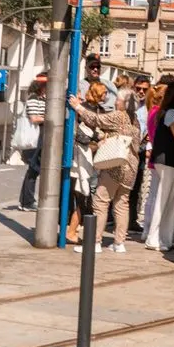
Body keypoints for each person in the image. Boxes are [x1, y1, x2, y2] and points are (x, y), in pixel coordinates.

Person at [68, 87, 140, 253]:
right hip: (131, 169)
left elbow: (96, 120)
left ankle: (95, 242)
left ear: (123, 103)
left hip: (116, 165)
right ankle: (119, 243)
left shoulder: (119, 116)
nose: (115, 102)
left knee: (100, 202)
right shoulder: (134, 120)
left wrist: (77, 106)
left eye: (118, 100)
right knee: (122, 205)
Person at [145, 78, 174, 253]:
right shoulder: (172, 114)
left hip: (167, 161)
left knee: (170, 199)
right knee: (165, 200)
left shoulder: (165, 112)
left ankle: (166, 238)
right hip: (169, 161)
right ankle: (154, 238)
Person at [65, 80, 102, 244]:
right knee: (83, 195)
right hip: (81, 158)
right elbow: (82, 135)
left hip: (85, 158)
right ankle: (72, 231)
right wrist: (98, 137)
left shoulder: (91, 108)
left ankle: (73, 230)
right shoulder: (85, 109)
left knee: (83, 195)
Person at [17, 71, 48, 210]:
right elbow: (34, 118)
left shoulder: (43, 98)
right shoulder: (34, 98)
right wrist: (50, 117)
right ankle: (26, 201)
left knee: (34, 169)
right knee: (34, 168)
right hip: (35, 138)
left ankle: (27, 200)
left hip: (40, 137)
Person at [129, 73, 152, 235]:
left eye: (145, 89)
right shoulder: (128, 104)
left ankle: (132, 219)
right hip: (127, 149)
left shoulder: (148, 107)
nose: (141, 92)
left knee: (136, 186)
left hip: (141, 150)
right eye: (139, 88)